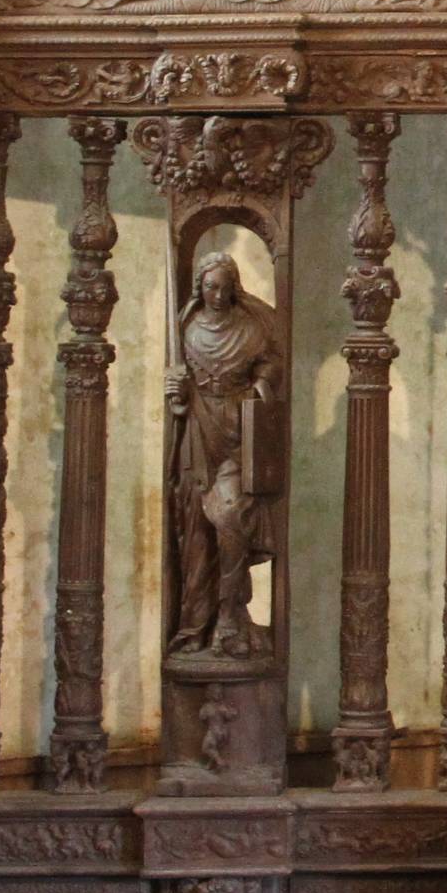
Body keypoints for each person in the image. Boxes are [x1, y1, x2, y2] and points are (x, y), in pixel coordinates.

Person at [166, 254, 285, 659]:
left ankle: (231, 615)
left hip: (238, 432)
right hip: (198, 433)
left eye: (223, 286)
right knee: (196, 530)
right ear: (199, 287)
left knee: (231, 516)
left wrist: (259, 390)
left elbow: (270, 366)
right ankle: (197, 626)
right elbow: (177, 386)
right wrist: (176, 394)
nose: (216, 295)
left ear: (235, 285)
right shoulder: (184, 328)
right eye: (209, 287)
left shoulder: (251, 327)